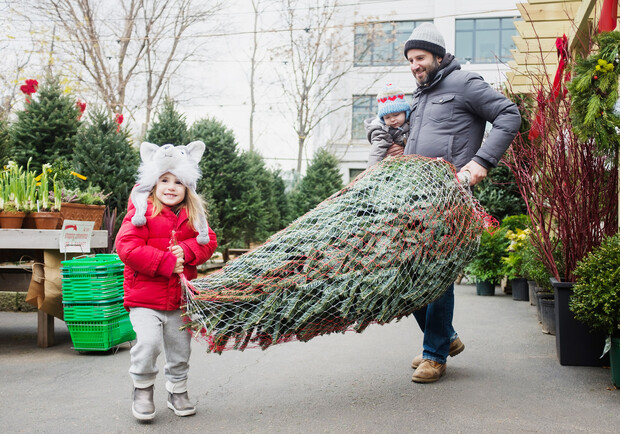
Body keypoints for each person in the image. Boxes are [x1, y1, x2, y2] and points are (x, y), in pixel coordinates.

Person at [402, 23, 521, 383]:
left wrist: (481, 161)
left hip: (451, 194)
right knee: (406, 273)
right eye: (409, 60)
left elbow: (509, 115)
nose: (414, 65)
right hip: (414, 196)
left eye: (420, 58)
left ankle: (434, 355)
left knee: (437, 272)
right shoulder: (420, 95)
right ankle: (447, 338)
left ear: (439, 56)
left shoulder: (465, 83)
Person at [115, 141, 217, 421]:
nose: (171, 186)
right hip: (144, 298)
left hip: (179, 301)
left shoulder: (193, 216)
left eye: (178, 182)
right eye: (164, 180)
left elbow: (208, 243)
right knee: (148, 343)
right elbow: (127, 248)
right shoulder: (141, 214)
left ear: (187, 188)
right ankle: (143, 389)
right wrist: (167, 262)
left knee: (180, 350)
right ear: (153, 183)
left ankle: (177, 390)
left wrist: (187, 251)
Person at [364, 82, 411, 167]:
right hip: (390, 168)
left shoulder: (412, 125)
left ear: (406, 113)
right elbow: (376, 153)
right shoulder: (381, 132)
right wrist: (371, 171)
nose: (392, 119)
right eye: (387, 117)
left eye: (396, 115)